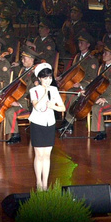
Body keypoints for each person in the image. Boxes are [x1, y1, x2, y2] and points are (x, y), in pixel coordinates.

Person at [29, 62, 65, 190]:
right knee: (39, 155)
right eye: (45, 78)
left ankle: (45, 184)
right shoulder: (34, 90)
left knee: (47, 155)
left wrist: (53, 106)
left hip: (50, 124)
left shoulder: (54, 90)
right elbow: (37, 107)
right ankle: (38, 183)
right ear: (39, 78)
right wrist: (45, 93)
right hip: (37, 124)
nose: (48, 81)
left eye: (50, 78)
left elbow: (62, 108)